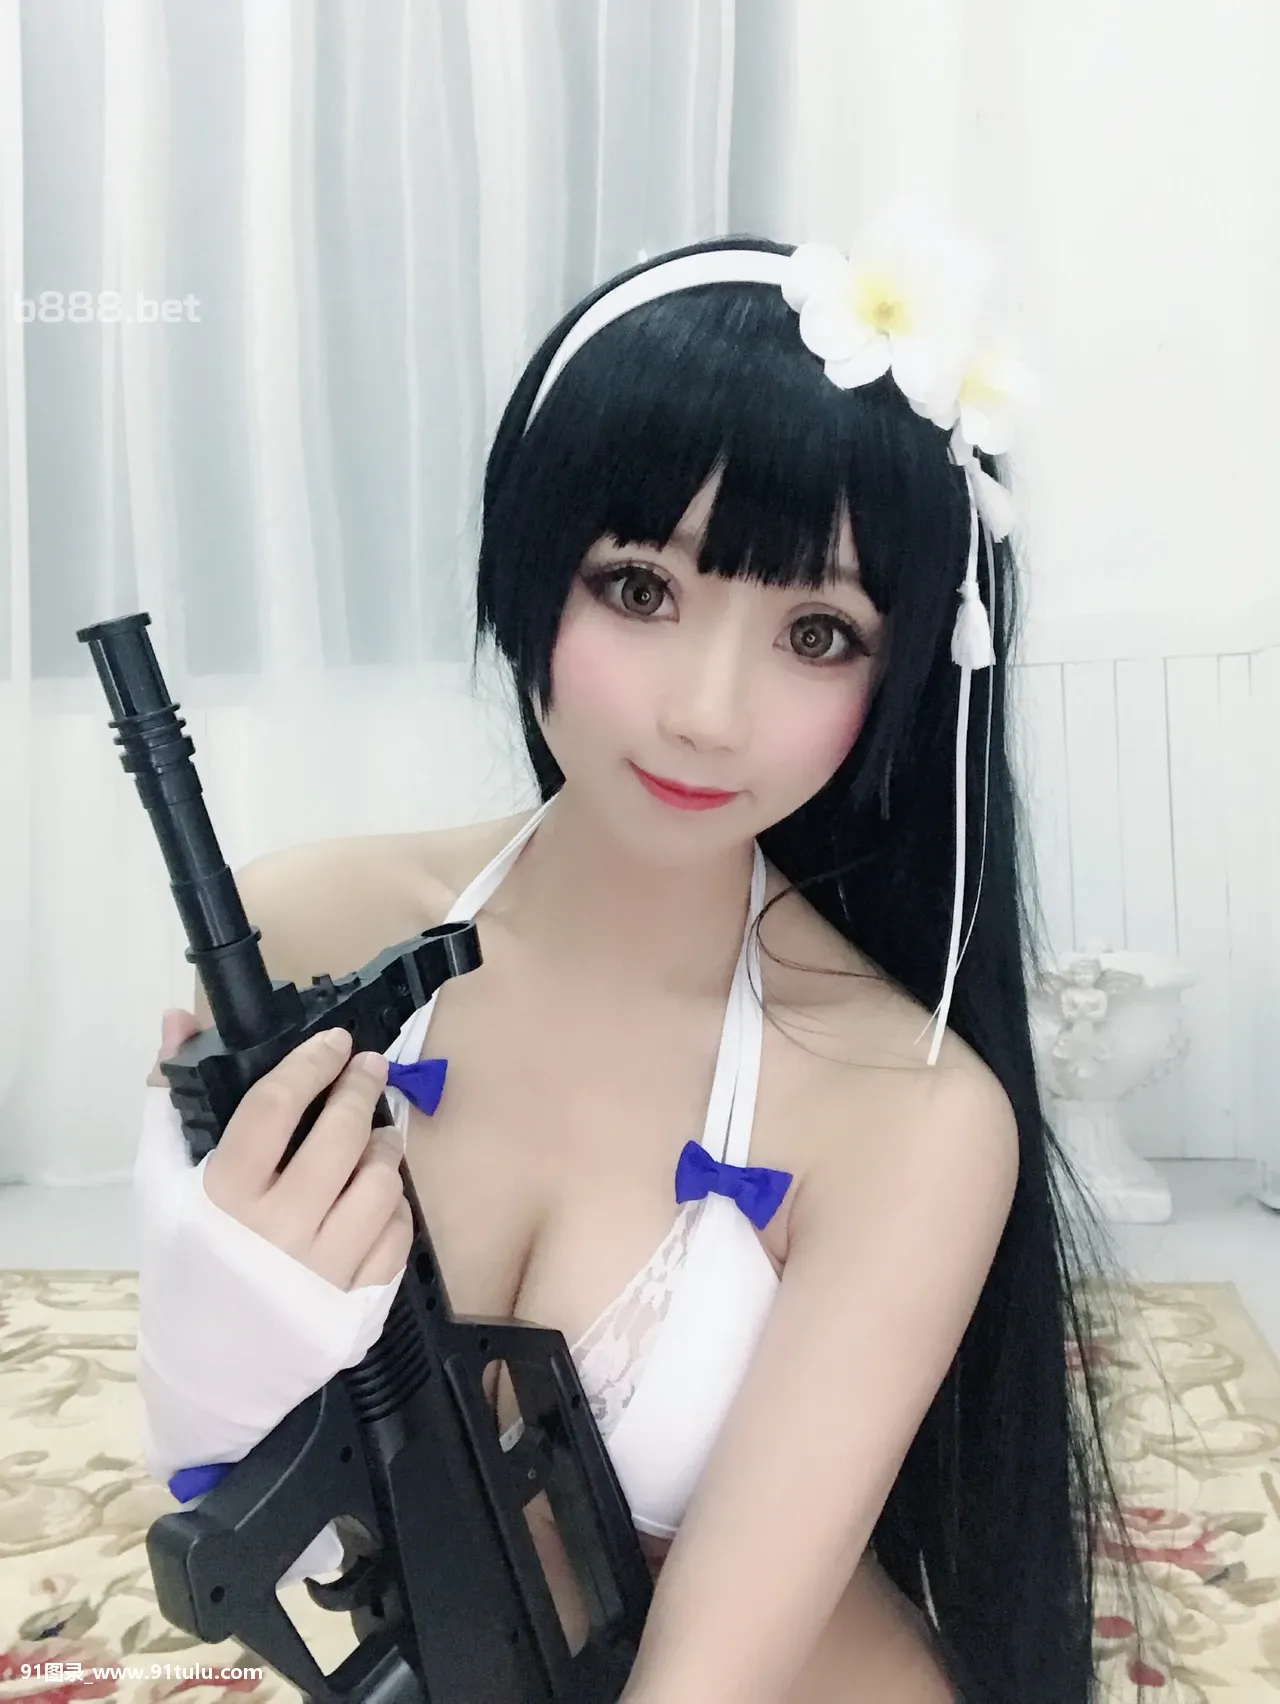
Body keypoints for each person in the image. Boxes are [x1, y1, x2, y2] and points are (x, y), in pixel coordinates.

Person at [139, 204, 1153, 1703]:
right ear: (527, 567)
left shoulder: (907, 1110)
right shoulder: (302, 929)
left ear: (899, 681)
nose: (705, 714)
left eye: (818, 634)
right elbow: (222, 1478)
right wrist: (217, 1313)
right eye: (640, 588)